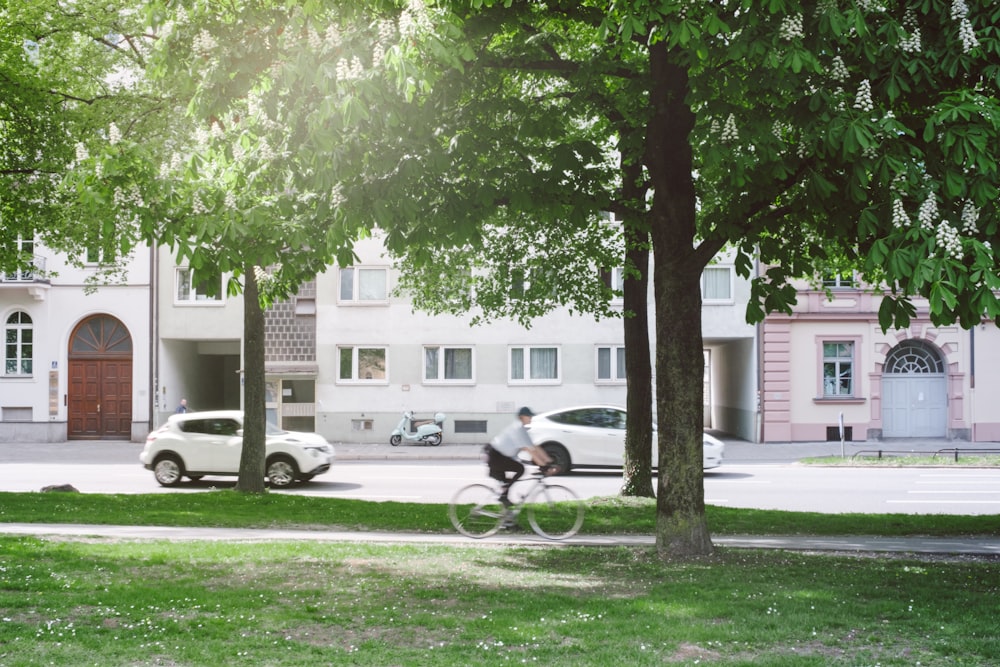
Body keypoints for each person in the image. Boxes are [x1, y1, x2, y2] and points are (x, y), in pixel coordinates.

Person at [486, 406, 553, 507]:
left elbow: (535, 447)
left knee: (505, 489)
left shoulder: (522, 429)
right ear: (522, 417)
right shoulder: (518, 429)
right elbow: (529, 450)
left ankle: (508, 520)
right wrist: (543, 465)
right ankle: (504, 496)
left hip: (500, 456)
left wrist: (549, 461)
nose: (531, 418)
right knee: (520, 468)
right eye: (529, 416)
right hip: (495, 456)